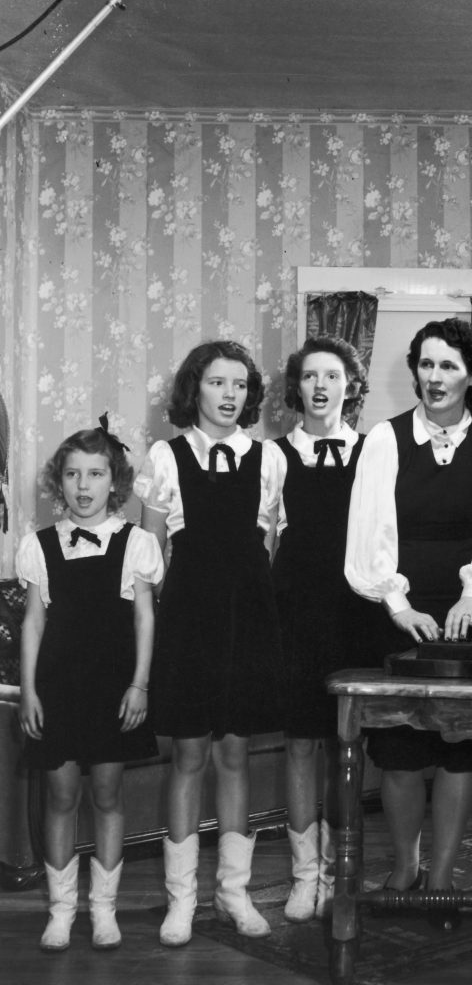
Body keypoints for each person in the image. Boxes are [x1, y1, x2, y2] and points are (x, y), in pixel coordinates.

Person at [345, 317, 472, 931]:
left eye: (449, 366)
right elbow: (369, 533)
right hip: (401, 605)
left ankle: (441, 880)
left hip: (471, 603)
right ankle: (405, 867)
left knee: (459, 752)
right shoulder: (384, 440)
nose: (435, 376)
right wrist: (398, 604)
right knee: (397, 752)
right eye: (426, 364)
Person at [135, 340, 285, 946]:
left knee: (234, 755)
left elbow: (268, 546)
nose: (230, 395)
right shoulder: (165, 457)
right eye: (218, 383)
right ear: (194, 389)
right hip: (189, 622)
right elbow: (150, 558)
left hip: (247, 619)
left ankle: (233, 892)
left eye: (240, 385)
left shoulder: (269, 457)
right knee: (189, 755)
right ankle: (181, 899)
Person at [17, 419, 163, 951]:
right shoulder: (39, 546)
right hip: (58, 685)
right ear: (61, 482)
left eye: (95, 474)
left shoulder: (138, 543)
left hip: (112, 684)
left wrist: (140, 684)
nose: (84, 486)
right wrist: (29, 690)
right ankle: (61, 910)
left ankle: (103, 909)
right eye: (74, 474)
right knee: (60, 793)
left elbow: (145, 618)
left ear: (114, 481)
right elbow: (34, 621)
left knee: (106, 792)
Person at [264, 336, 370, 922]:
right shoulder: (274, 455)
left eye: (333, 376)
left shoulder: (374, 451)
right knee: (301, 741)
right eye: (311, 377)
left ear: (350, 385)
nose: (322, 387)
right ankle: (305, 876)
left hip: (353, 612)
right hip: (295, 612)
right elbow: (265, 538)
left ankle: (340, 871)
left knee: (344, 743)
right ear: (297, 387)